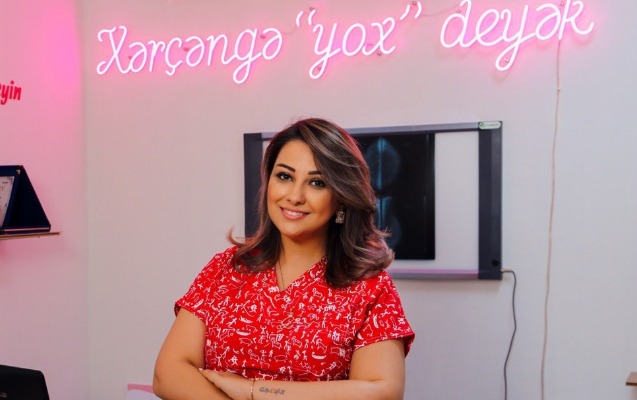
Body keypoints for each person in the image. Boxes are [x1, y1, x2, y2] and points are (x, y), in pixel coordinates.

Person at [153, 118, 415, 400]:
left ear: (341, 197)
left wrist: (254, 391)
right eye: (285, 176)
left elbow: (383, 392)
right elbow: (167, 374)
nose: (295, 196)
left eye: (316, 182)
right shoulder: (226, 268)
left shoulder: (371, 288)